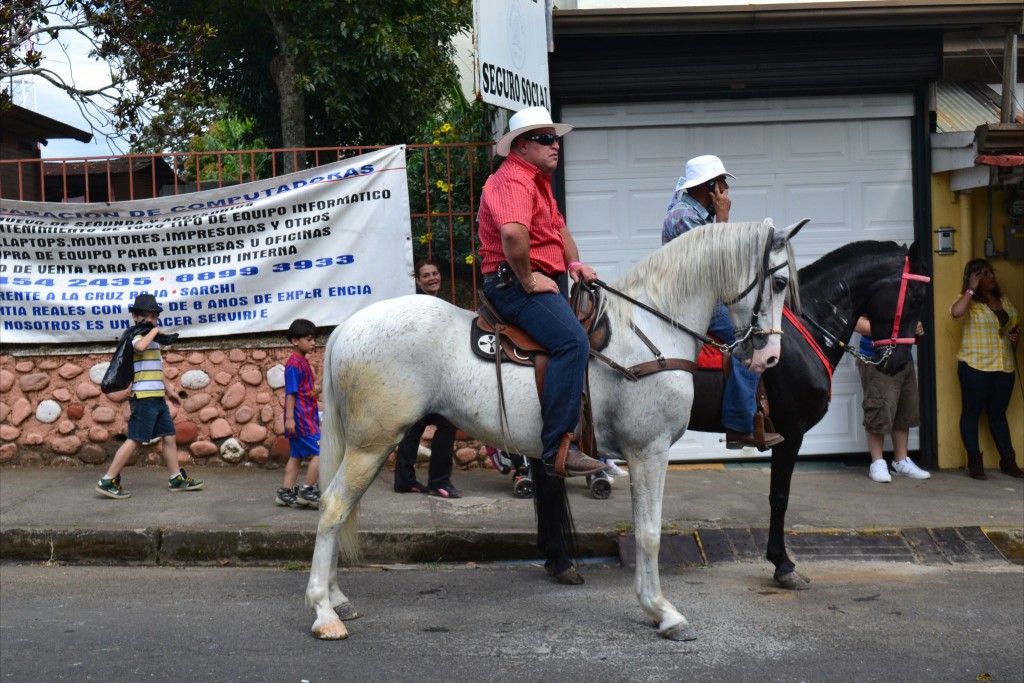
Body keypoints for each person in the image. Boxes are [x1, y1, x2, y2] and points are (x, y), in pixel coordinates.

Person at [477, 106, 607, 478]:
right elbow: (512, 234)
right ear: (521, 146)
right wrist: (529, 280)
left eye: (556, 139)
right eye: (546, 139)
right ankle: (557, 447)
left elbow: (559, 231)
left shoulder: (538, 180)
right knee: (572, 342)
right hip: (512, 284)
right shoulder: (513, 179)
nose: (556, 145)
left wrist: (574, 263)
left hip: (537, 279)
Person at [662, 154, 783, 450]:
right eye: (722, 182)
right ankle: (739, 425)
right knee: (749, 345)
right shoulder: (683, 217)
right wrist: (723, 218)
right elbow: (713, 264)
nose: (726, 188)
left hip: (704, 298)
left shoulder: (696, 213)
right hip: (691, 302)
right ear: (709, 187)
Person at [95, 294, 203, 499]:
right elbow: (139, 347)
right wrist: (153, 331)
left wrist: (170, 392)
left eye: (154, 316)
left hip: (157, 398)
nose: (151, 320)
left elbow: (158, 369)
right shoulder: (135, 336)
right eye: (146, 316)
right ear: (135, 317)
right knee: (135, 439)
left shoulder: (153, 341)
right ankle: (108, 480)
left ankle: (176, 478)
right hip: (143, 398)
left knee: (169, 436)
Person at [393, 260, 462, 498]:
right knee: (447, 423)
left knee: (413, 428)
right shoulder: (418, 306)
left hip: (429, 378)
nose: (432, 278)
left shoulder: (439, 304)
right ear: (418, 281)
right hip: (421, 379)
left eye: (434, 273)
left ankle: (405, 481)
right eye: (426, 275)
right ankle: (439, 481)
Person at [950, 259, 1022, 480]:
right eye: (984, 274)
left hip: (1003, 365)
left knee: (998, 414)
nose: (991, 276)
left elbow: (1013, 326)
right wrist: (970, 290)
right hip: (976, 365)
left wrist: (1015, 335)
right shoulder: (968, 301)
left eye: (991, 272)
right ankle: (975, 463)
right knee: (971, 412)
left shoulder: (1004, 300)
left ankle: (1008, 461)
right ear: (974, 278)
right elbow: (956, 313)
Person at [854, 316, 930, 482]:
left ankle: (901, 462)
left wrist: (916, 326)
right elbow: (858, 323)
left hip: (904, 357)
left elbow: (908, 319)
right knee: (878, 409)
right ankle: (877, 462)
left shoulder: (906, 298)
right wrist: (900, 329)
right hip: (876, 358)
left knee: (904, 410)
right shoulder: (871, 297)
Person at [275, 319, 322, 508]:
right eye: (308, 339)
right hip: (301, 419)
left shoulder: (302, 362)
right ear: (295, 341)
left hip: (305, 417)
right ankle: (307, 491)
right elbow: (291, 393)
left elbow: (304, 392)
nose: (313, 343)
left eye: (314, 339)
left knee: (297, 455)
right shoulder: (294, 364)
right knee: (322, 451)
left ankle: (285, 493)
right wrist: (289, 419)